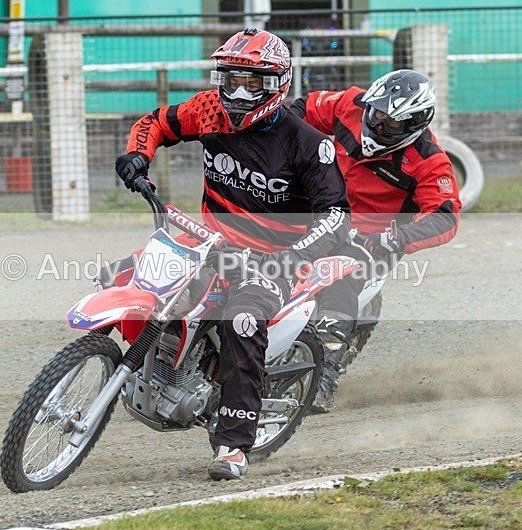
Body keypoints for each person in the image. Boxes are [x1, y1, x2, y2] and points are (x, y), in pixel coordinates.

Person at [115, 29, 351, 480]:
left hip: (272, 258)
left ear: (278, 84)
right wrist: (137, 156)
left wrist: (292, 256)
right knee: (122, 275)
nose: (239, 94)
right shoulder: (209, 110)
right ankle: (138, 367)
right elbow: (156, 122)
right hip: (208, 241)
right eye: (231, 80)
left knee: (242, 320)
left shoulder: (308, 143)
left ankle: (233, 445)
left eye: (252, 83)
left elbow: (337, 216)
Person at [289, 69, 462, 412]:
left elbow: (445, 217)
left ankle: (324, 374)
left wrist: (396, 238)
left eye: (390, 122)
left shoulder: (430, 161)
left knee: (338, 275)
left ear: (414, 124)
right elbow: (299, 110)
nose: (378, 124)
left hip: (370, 238)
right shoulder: (350, 103)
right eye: (376, 113)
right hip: (319, 210)